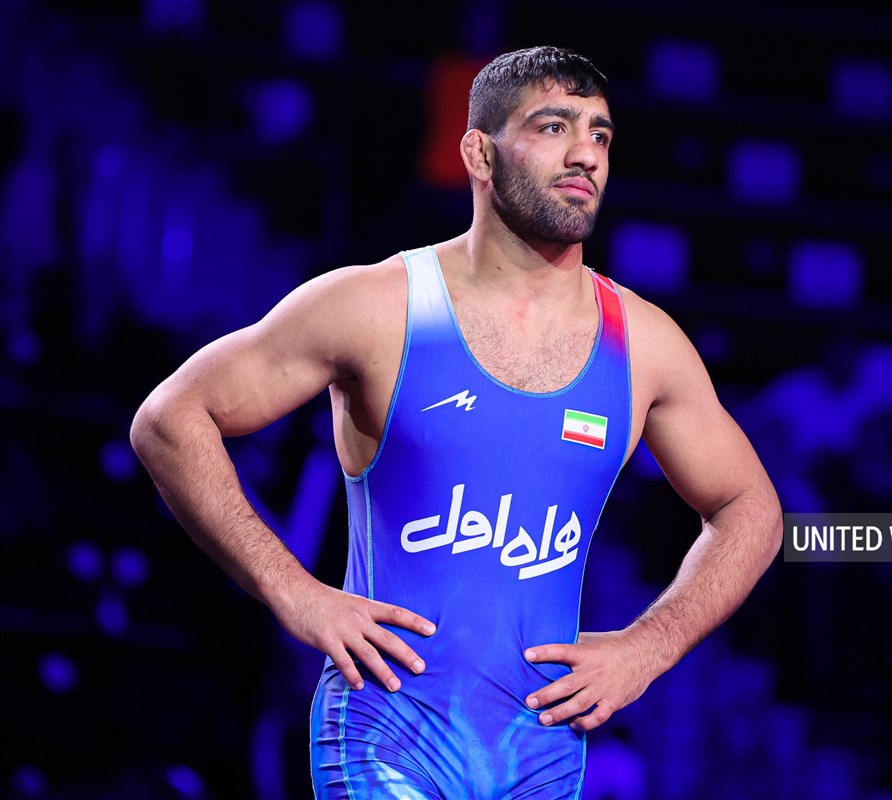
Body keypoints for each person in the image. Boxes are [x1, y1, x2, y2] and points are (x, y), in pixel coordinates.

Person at [130, 46, 782, 799]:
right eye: (553, 127)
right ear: (479, 152)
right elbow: (170, 419)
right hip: (387, 736)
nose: (585, 154)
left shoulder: (643, 344)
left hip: (542, 755)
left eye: (600, 135)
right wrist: (293, 591)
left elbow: (752, 510)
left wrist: (648, 648)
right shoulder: (377, 307)